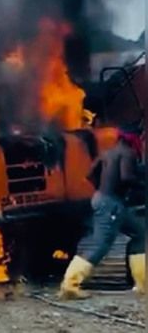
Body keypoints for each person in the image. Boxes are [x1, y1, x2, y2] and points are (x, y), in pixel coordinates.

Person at [59, 126, 145, 299]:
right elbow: (126, 177)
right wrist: (140, 186)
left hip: (105, 200)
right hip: (111, 204)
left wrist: (103, 188)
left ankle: (143, 284)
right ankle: (70, 285)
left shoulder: (107, 153)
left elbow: (90, 174)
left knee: (141, 233)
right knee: (100, 243)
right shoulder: (128, 153)